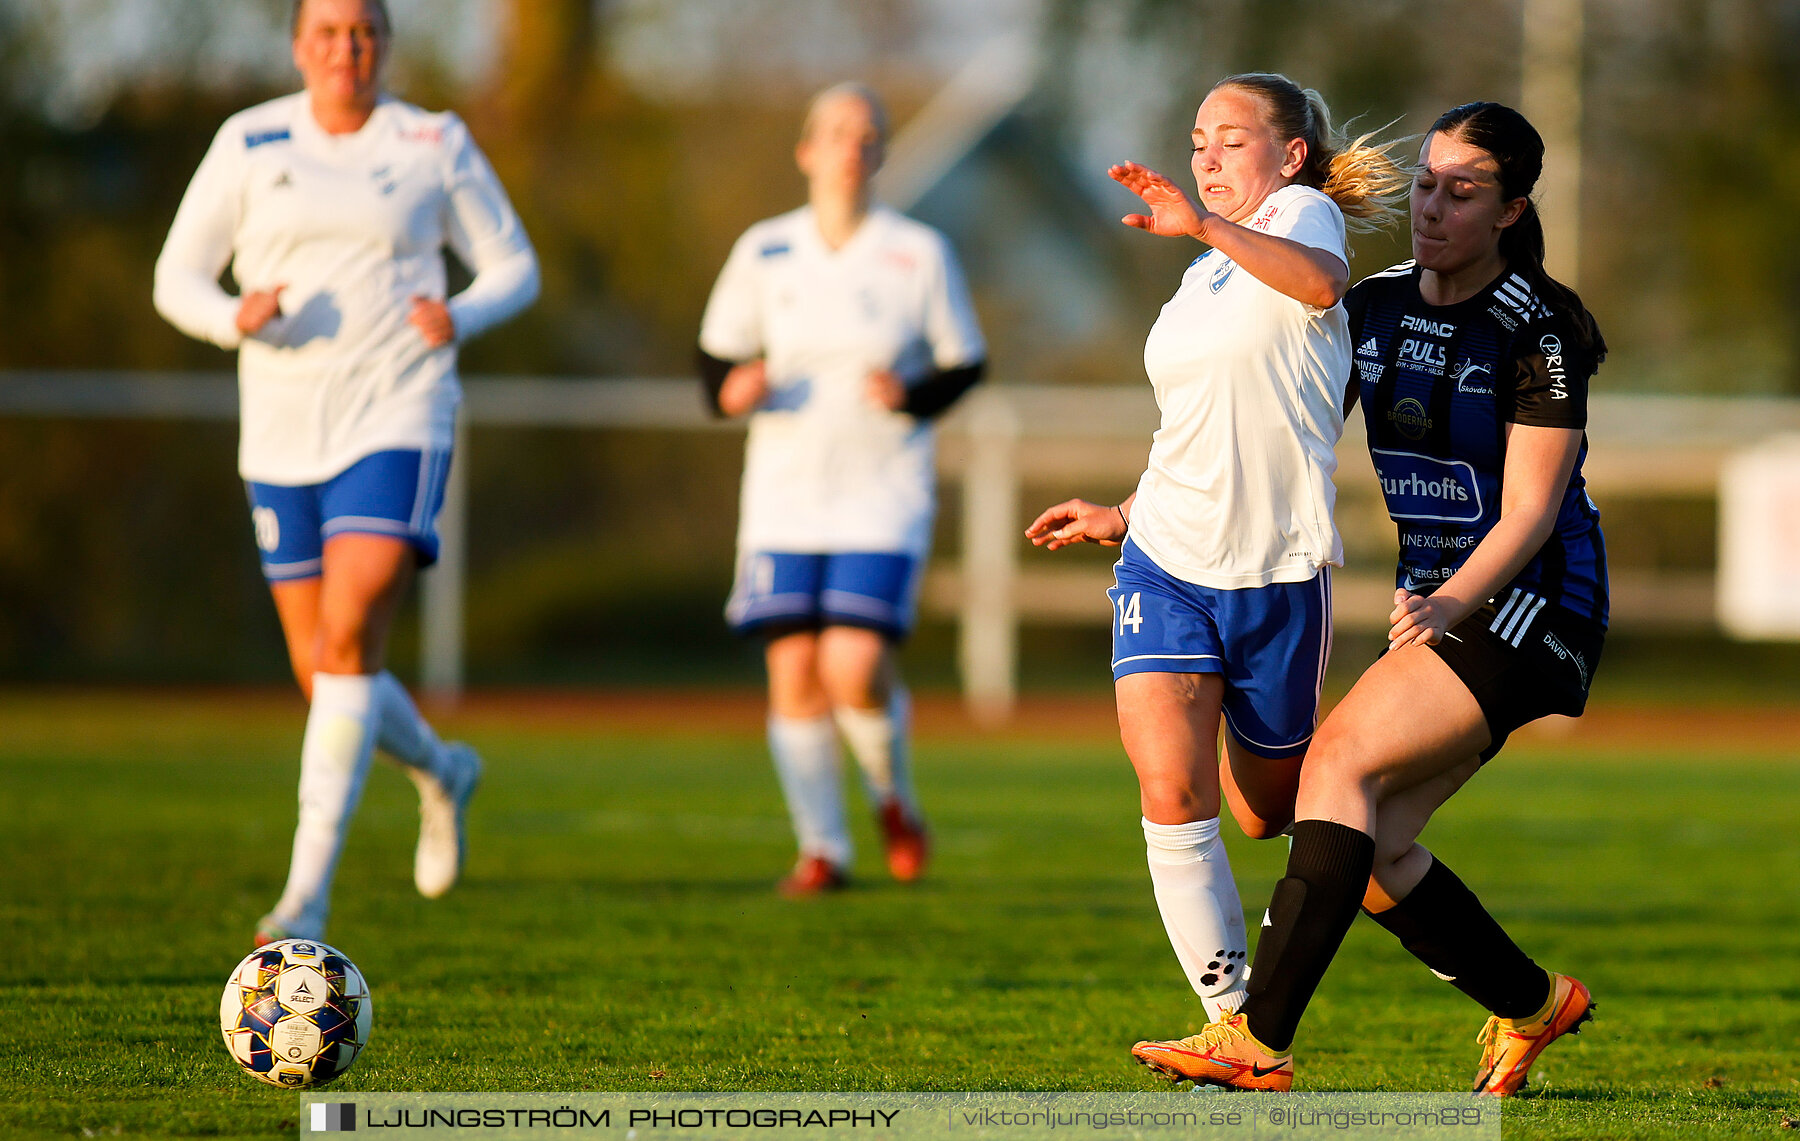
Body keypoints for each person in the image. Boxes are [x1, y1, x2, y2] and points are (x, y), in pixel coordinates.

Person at [1131, 101, 1608, 1094]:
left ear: (1511, 211)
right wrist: (1129, 506)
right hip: (1441, 606)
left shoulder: (1542, 328)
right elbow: (1269, 427)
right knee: (1376, 842)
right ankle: (1533, 1003)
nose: (1431, 206)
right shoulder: (1381, 305)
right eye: (1427, 183)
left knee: (1335, 767)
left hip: (1531, 600)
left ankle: (1257, 1039)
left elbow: (1530, 510)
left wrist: (1444, 604)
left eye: (1461, 192)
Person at [153, 0, 539, 945]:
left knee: (350, 628)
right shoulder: (250, 140)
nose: (346, 49)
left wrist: (465, 314)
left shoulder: (432, 140)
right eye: (327, 32)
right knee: (322, 663)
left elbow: (514, 266)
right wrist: (230, 317)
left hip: (399, 410)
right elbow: (177, 278)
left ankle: (305, 896)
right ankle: (442, 771)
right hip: (283, 429)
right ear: (298, 47)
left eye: (364, 31)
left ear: (386, 46)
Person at [1027, 75, 1403, 1028]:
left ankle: (1393, 870)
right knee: (1169, 786)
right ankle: (1235, 1021)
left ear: (1291, 156)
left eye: (1231, 139)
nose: (1205, 157)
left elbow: (1321, 286)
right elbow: (1195, 431)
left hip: (1276, 573)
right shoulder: (1204, 275)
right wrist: (1122, 512)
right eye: (1198, 138)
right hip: (1165, 559)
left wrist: (1201, 226)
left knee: (1266, 812)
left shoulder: (1303, 219)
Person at [697, 83, 987, 896]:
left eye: (868, 135)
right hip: (785, 494)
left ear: (882, 154)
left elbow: (964, 361)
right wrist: (733, 388)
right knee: (793, 671)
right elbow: (715, 359)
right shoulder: (765, 249)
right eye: (835, 132)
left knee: (852, 665)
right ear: (807, 150)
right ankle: (823, 849)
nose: (851, 147)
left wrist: (913, 394)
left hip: (882, 491)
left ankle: (893, 798)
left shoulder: (916, 252)